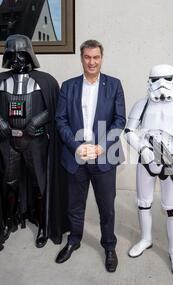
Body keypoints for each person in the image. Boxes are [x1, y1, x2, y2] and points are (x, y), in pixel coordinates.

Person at [0, 34, 69, 251]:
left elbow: (54, 109)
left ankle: (44, 225)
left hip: (36, 142)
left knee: (40, 185)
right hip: (8, 142)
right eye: (12, 55)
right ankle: (9, 220)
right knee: (9, 184)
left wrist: (37, 120)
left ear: (30, 55)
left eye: (21, 54)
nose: (17, 60)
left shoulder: (45, 81)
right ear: (6, 56)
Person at [55, 39, 126, 272]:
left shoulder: (114, 85)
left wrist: (102, 146)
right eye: (87, 57)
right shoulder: (68, 86)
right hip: (76, 156)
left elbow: (120, 121)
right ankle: (74, 240)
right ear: (81, 58)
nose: (92, 62)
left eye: (96, 57)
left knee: (107, 207)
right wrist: (76, 146)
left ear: (101, 58)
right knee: (75, 206)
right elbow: (60, 120)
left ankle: (108, 246)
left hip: (104, 156)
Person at [124, 64, 173, 279]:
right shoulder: (142, 104)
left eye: (166, 79)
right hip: (146, 161)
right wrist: (143, 148)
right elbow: (129, 131)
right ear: (149, 81)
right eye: (156, 80)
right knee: (143, 202)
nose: (161, 85)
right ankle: (146, 239)